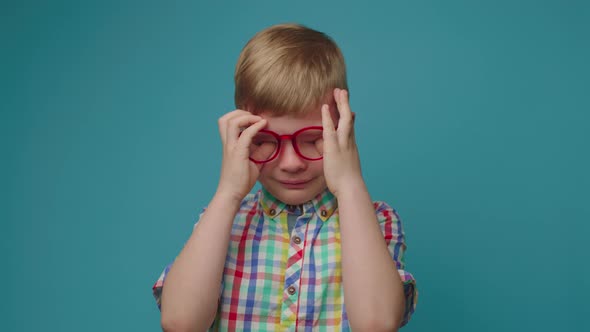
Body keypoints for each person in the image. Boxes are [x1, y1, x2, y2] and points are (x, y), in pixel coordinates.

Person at [153, 23, 417, 331]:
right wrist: (227, 192)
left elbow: (376, 324)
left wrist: (349, 184)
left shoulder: (378, 220)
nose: (291, 163)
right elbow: (180, 323)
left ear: (343, 129)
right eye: (266, 141)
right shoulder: (222, 221)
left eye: (312, 139)